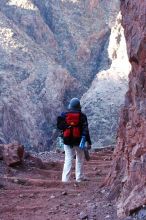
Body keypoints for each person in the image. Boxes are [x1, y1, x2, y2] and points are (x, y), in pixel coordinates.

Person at [57, 97, 92, 182]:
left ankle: (65, 179)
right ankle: (79, 178)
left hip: (67, 141)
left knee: (68, 159)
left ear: (70, 106)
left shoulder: (64, 115)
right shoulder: (82, 116)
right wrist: (89, 142)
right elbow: (85, 130)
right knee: (79, 158)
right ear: (79, 106)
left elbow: (59, 127)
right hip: (79, 141)